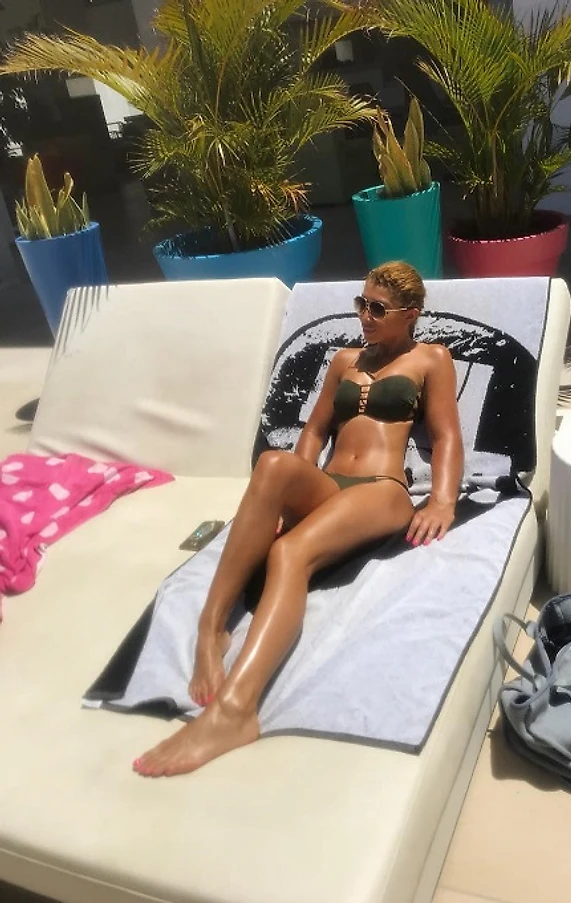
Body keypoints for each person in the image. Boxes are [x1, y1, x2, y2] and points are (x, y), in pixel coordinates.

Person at [133, 261, 464, 777]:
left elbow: (445, 435)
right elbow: (314, 431)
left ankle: (235, 711)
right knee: (272, 464)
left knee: (288, 553)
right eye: (361, 303)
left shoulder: (431, 359)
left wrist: (442, 500)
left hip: (381, 489)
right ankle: (210, 629)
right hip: (330, 485)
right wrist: (290, 495)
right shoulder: (345, 360)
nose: (365, 315)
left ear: (410, 313)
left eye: (378, 309)